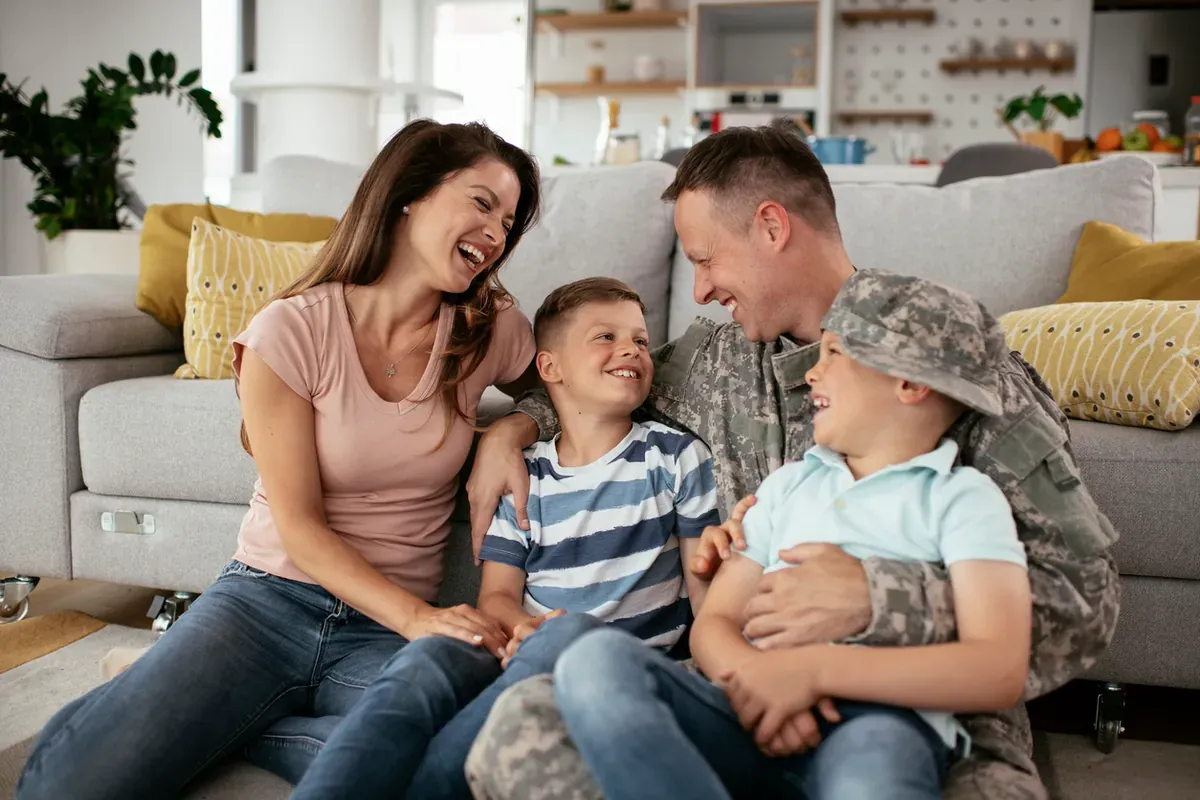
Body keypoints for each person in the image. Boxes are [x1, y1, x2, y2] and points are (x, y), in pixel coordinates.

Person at [462, 125, 1121, 800]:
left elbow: (1085, 602)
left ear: (771, 226)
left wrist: (881, 598)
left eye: (708, 260)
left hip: (919, 718)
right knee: (522, 734)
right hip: (738, 697)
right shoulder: (712, 364)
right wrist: (509, 431)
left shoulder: (952, 369)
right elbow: (595, 388)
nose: (700, 289)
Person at [16, 119, 543, 800]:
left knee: (458, 763)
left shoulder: (486, 330)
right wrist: (420, 621)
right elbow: (300, 527)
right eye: (481, 203)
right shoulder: (290, 331)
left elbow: (577, 386)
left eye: (508, 222)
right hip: (266, 601)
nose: (496, 234)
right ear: (409, 194)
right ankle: (196, 704)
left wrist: (512, 430)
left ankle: (228, 720)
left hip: (382, 630)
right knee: (66, 785)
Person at [552, 271, 1032, 800]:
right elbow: (715, 624)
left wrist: (811, 673)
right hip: (746, 709)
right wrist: (757, 680)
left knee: (871, 776)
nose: (811, 376)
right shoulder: (788, 487)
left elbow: (999, 668)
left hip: (877, 724)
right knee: (593, 663)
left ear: (909, 384)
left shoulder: (962, 498)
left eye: (832, 355)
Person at [286, 277, 719, 800]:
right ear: (549, 368)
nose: (631, 348)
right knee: (427, 660)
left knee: (568, 636)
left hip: (620, 677)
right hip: (523, 651)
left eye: (641, 340)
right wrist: (526, 631)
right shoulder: (526, 476)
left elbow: (704, 598)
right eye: (605, 337)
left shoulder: (674, 457)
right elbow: (496, 597)